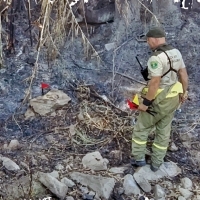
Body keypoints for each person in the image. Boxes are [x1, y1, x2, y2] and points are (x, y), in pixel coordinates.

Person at [131, 27, 188, 172]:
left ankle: (139, 159)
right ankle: (157, 163)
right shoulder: (176, 52)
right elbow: (183, 75)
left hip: (158, 100)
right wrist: (184, 92)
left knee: (141, 128)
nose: (148, 44)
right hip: (173, 98)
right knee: (163, 130)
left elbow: (155, 83)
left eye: (148, 41)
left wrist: (145, 103)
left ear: (154, 39)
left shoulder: (155, 58)